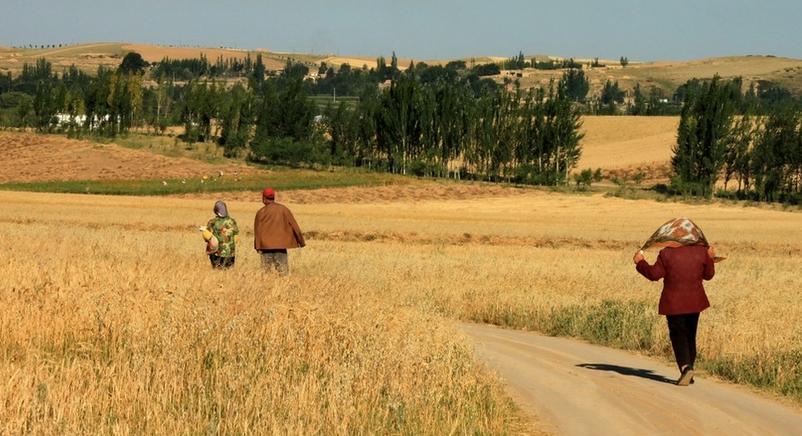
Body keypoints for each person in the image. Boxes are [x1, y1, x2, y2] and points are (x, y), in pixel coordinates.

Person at [634, 244, 716, 386]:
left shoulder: (666, 253)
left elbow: (654, 275)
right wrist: (710, 257)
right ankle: (689, 368)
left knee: (678, 334)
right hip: (695, 301)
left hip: (674, 302)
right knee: (690, 335)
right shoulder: (701, 251)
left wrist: (640, 262)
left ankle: (686, 368)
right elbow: (708, 275)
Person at [254, 188, 305, 275]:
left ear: (264, 198)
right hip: (281, 247)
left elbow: (257, 231)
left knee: (266, 273)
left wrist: (257, 247)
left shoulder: (261, 212)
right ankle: (282, 287)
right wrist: (301, 242)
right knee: (283, 272)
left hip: (265, 247)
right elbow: (295, 226)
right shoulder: (284, 209)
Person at [206, 200, 239, 269]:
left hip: (216, 252)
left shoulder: (212, 222)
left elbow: (207, 237)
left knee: (217, 270)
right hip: (230, 252)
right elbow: (236, 234)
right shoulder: (232, 221)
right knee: (228, 271)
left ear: (215, 210)